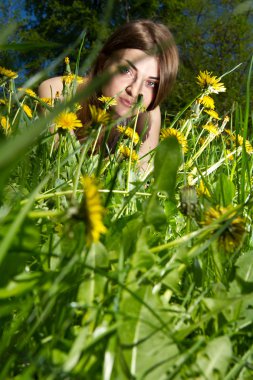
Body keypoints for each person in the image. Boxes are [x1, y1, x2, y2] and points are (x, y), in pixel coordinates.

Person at [38, 19, 179, 171]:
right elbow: (64, 164)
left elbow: (142, 175)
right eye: (126, 71)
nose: (135, 90)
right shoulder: (56, 91)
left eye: (151, 83)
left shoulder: (148, 114)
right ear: (102, 64)